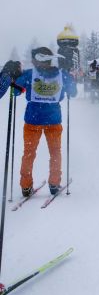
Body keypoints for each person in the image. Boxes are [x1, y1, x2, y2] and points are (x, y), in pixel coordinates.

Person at [12, 48, 77, 196]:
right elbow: (73, 92)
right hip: (53, 120)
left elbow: (15, 91)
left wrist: (15, 77)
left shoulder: (30, 74)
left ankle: (26, 186)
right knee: (55, 152)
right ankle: (54, 183)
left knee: (29, 153)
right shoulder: (62, 75)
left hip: (32, 120)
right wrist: (69, 78)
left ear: (37, 60)